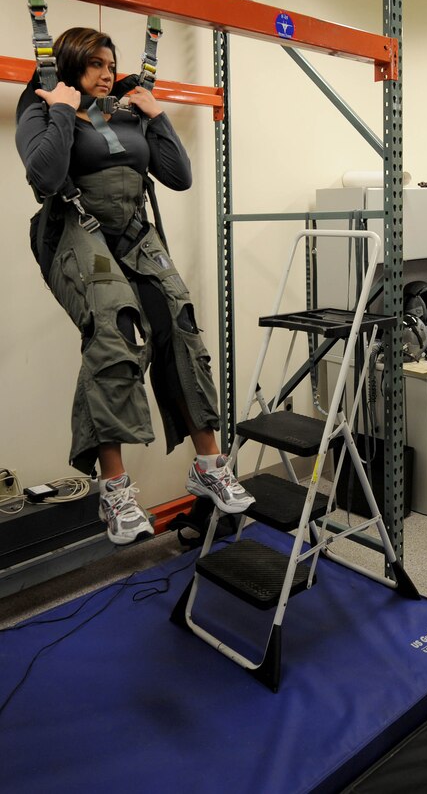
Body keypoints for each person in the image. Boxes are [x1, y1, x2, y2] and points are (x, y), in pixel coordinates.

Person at [15, 27, 254, 546]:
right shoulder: (39, 108)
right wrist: (60, 107)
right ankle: (115, 488)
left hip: (132, 232)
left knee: (179, 320)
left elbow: (179, 175)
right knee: (115, 327)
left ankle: (208, 465)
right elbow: (47, 176)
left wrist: (155, 113)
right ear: (70, 64)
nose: (106, 73)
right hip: (74, 231)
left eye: (110, 64)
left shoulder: (122, 110)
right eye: (95, 64)